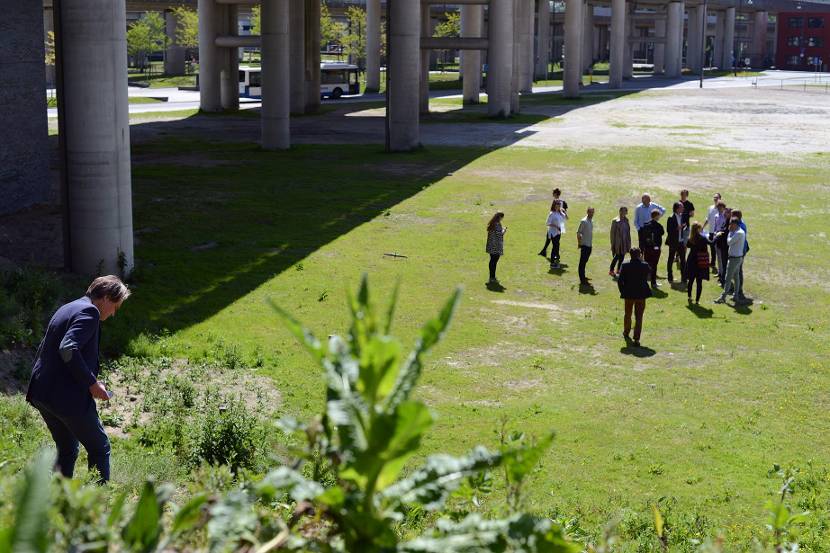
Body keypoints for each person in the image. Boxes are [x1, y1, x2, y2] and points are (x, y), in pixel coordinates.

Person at [26, 275, 131, 483]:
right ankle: (95, 508)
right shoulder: (89, 311)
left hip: (43, 393)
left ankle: (58, 503)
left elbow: (45, 348)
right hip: (66, 397)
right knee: (100, 448)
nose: (113, 313)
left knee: (67, 449)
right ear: (107, 298)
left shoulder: (68, 307)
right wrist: (92, 383)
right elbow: (68, 348)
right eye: (115, 306)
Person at [617, 248, 652, 347]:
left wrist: (623, 291)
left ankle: (626, 332)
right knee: (639, 316)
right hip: (641, 295)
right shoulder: (644, 265)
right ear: (639, 255)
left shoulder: (625, 265)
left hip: (628, 294)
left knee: (627, 314)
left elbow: (620, 281)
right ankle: (636, 338)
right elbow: (649, 274)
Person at [715, 218, 748, 304]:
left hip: (734, 258)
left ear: (735, 224)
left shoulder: (738, 233)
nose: (729, 226)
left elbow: (729, 242)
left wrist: (729, 233)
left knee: (728, 277)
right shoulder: (738, 232)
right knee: (736, 277)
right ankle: (735, 296)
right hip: (736, 258)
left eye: (731, 224)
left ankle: (723, 296)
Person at [684, 222, 714, 303]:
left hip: (691, 261)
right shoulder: (703, 238)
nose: (702, 229)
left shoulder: (691, 239)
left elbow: (688, 246)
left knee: (690, 281)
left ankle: (689, 297)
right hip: (700, 261)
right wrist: (717, 236)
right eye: (700, 228)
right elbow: (711, 243)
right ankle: (697, 300)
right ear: (697, 229)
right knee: (699, 282)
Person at [538, 189, 568, 257]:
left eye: (553, 193)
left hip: (558, 223)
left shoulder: (559, 202)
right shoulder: (560, 201)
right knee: (551, 239)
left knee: (555, 240)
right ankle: (545, 251)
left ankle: (554, 254)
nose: (552, 194)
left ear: (556, 194)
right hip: (556, 222)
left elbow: (562, 212)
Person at [639, 209, 664, 288]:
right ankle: (653, 283)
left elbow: (642, 238)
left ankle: (643, 282)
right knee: (654, 265)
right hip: (655, 250)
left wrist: (642, 250)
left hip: (647, 249)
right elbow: (662, 233)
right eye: (659, 215)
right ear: (656, 216)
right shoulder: (659, 226)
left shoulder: (646, 225)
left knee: (646, 265)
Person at [665, 201, 687, 283]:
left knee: (683, 260)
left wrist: (683, 228)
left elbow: (682, 227)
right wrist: (678, 228)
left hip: (681, 241)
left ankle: (684, 278)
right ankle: (670, 277)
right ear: (677, 208)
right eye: (682, 207)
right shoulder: (671, 217)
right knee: (671, 259)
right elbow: (669, 230)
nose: (683, 208)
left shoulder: (682, 216)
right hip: (673, 242)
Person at [731, 209, 750, 300]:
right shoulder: (741, 223)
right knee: (737, 270)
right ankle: (737, 288)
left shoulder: (740, 226)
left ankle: (738, 289)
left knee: (738, 270)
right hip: (741, 250)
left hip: (740, 251)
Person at [702, 194, 722, 274]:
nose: (715, 199)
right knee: (712, 247)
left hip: (717, 232)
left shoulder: (721, 209)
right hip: (711, 231)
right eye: (714, 197)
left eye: (717, 198)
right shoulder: (710, 208)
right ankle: (713, 262)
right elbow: (708, 218)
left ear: (720, 199)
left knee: (718, 250)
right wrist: (703, 227)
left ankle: (720, 267)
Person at [609, 207, 631, 277]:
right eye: (623, 211)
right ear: (620, 211)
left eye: (625, 211)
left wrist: (628, 242)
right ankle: (611, 270)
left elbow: (628, 232)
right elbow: (612, 234)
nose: (624, 213)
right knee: (617, 256)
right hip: (617, 242)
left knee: (622, 256)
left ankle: (618, 270)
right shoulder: (615, 221)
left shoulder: (626, 220)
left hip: (625, 241)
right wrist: (613, 244)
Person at [486, 212, 507, 284]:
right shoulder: (497, 224)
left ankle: (491, 277)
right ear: (500, 217)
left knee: (492, 261)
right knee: (494, 262)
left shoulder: (492, 223)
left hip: (491, 246)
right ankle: (492, 277)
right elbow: (499, 235)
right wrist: (504, 230)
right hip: (496, 246)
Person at [714, 206, 732, 286]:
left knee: (725, 264)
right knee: (723, 263)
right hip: (722, 245)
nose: (724, 213)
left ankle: (724, 281)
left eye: (726, 212)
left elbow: (725, 233)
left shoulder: (729, 222)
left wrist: (719, 234)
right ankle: (722, 279)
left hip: (725, 247)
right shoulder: (727, 220)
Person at [546, 201, 566, 269]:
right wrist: (556, 226)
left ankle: (555, 260)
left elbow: (565, 218)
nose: (558, 207)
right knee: (555, 247)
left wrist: (564, 212)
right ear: (554, 206)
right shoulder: (552, 214)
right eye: (557, 205)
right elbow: (547, 223)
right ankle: (552, 263)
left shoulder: (559, 213)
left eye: (559, 205)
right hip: (553, 233)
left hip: (558, 233)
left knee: (557, 246)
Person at [576, 207, 595, 285]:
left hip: (589, 245)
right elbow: (578, 233)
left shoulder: (591, 221)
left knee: (585, 261)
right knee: (582, 263)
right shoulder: (584, 221)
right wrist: (579, 243)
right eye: (590, 212)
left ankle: (583, 276)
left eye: (593, 212)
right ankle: (582, 279)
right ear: (587, 212)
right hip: (584, 245)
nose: (592, 214)